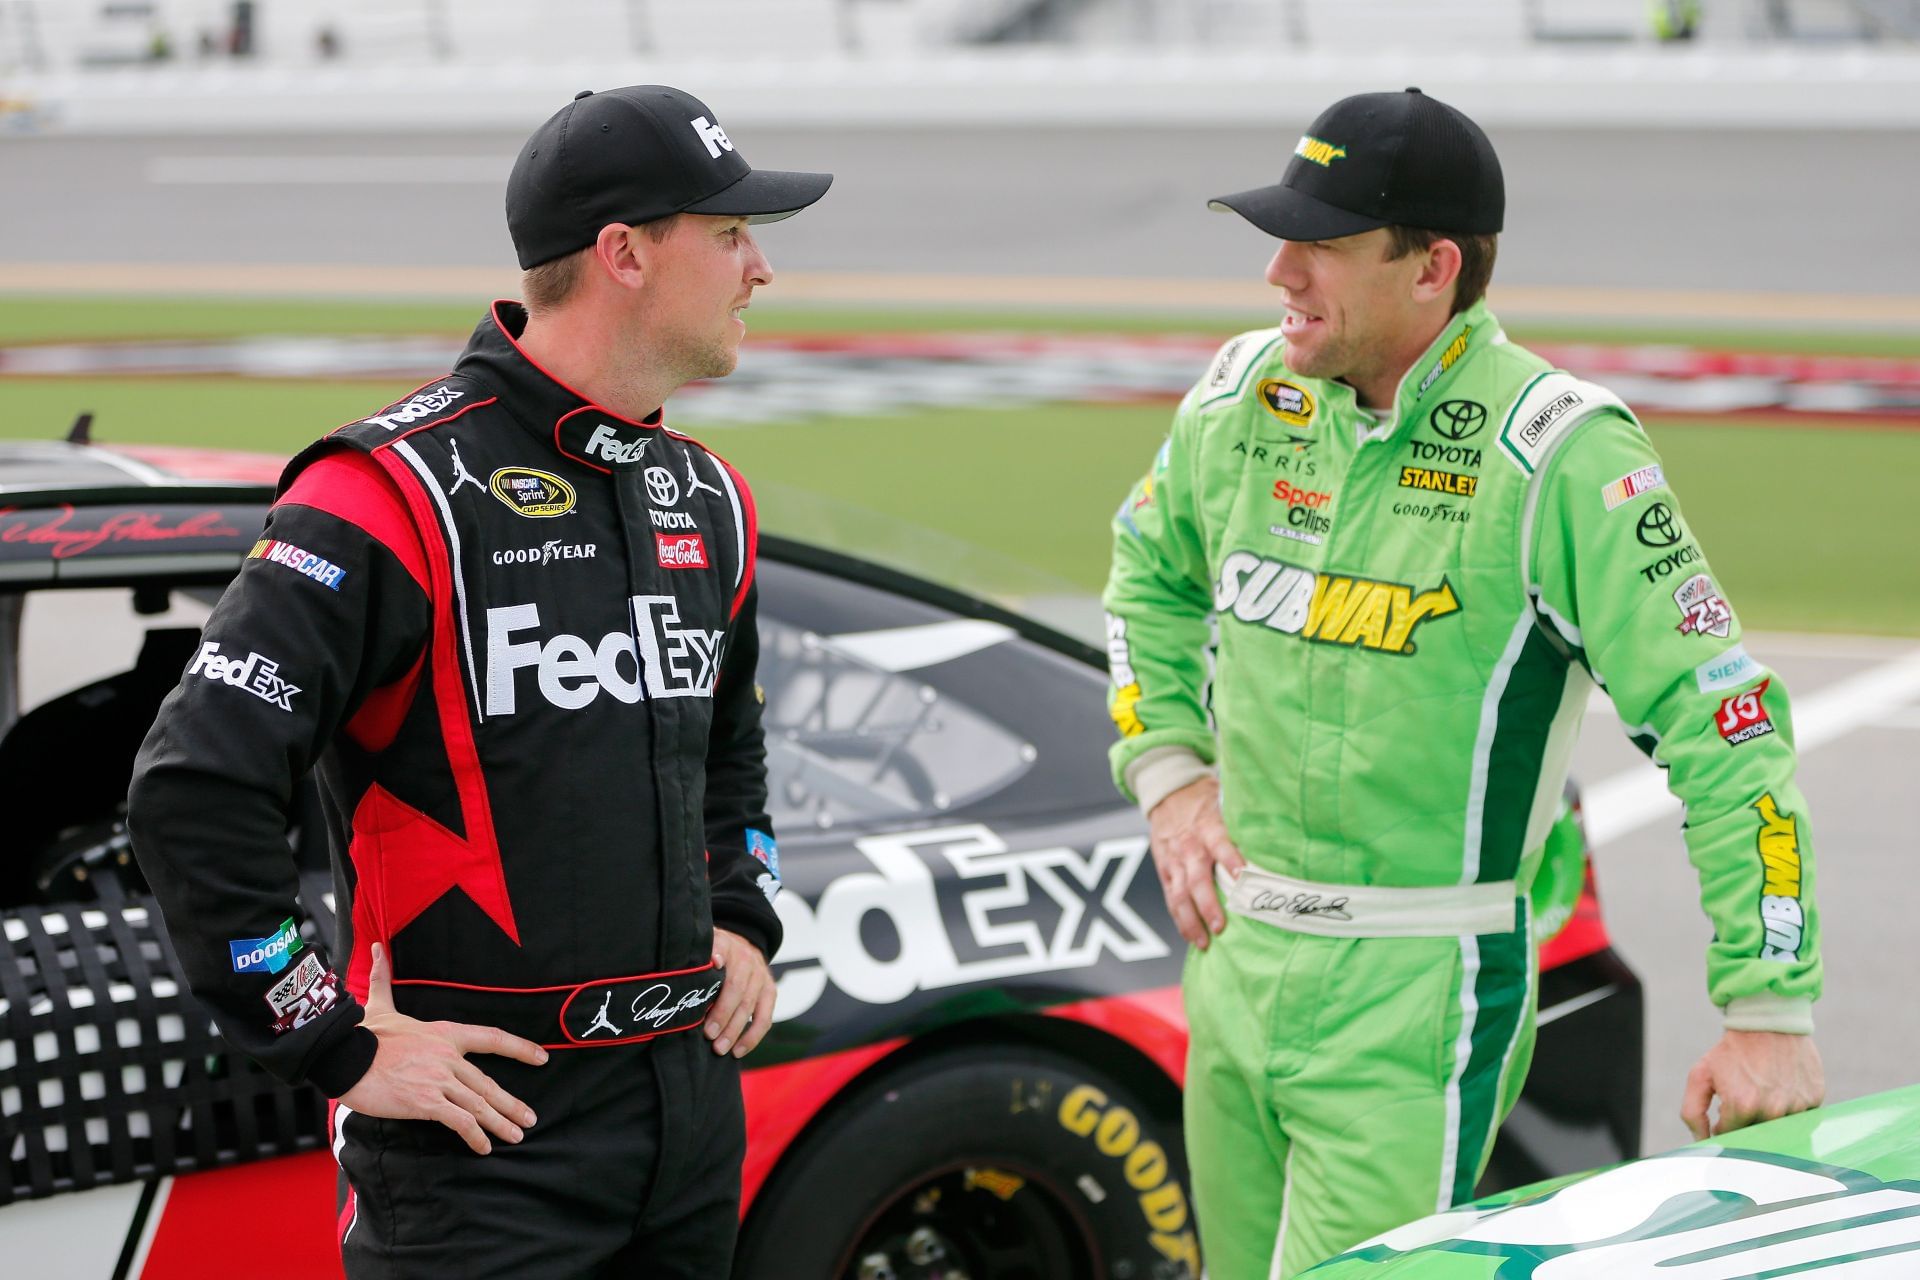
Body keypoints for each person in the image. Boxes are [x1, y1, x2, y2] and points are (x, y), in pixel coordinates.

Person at [1103, 87, 1823, 1279]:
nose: (1279, 272)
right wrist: (1170, 773)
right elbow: (1146, 573)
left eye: (1320, 245)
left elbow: (1727, 724)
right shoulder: (1243, 397)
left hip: (1420, 988)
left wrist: (1769, 1005)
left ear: (1433, 267)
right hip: (1233, 960)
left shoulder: (1561, 452)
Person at [128, 84, 830, 1277]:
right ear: (624, 254)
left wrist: (741, 913)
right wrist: (333, 1042)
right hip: (478, 1147)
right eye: (727, 234)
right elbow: (193, 788)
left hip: (687, 1114)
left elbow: (729, 745)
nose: (759, 266)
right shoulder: (385, 493)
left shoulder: (708, 497)